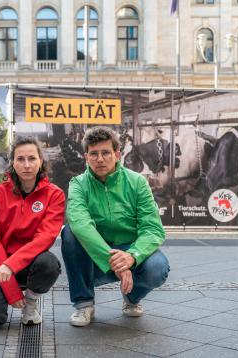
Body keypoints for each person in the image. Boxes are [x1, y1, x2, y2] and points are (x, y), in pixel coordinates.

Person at [61, 126, 170, 327]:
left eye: (105, 153)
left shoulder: (137, 182)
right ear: (86, 157)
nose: (100, 159)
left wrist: (132, 256)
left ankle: (131, 297)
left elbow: (153, 229)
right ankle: (84, 303)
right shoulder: (78, 184)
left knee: (158, 267)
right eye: (94, 154)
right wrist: (115, 263)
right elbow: (80, 224)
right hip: (95, 257)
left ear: (117, 154)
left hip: (129, 249)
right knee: (69, 233)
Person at [0, 137, 65, 329]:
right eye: (20, 159)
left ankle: (30, 304)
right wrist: (11, 291)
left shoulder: (54, 195)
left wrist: (12, 265)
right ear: (12, 163)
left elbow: (45, 238)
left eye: (32, 158)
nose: (26, 165)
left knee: (49, 264)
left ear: (41, 161)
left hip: (30, 264)